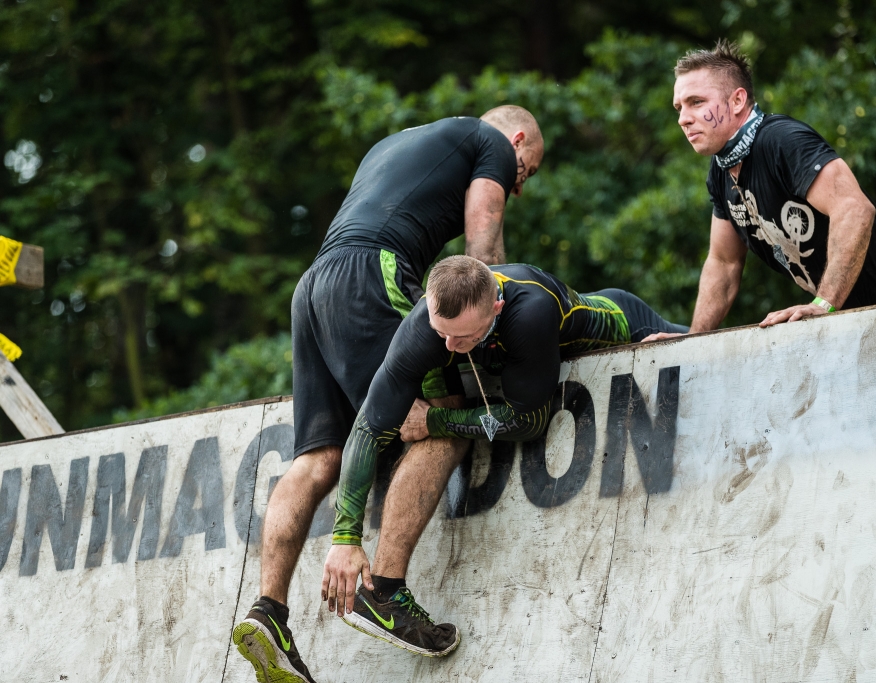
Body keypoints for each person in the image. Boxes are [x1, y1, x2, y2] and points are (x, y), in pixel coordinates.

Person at [232, 107, 545, 683]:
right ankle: (386, 591)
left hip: (312, 287)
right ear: (518, 139)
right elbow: (481, 249)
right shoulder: (492, 142)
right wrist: (503, 329)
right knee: (436, 417)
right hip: (372, 272)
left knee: (318, 457)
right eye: (526, 170)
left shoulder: (397, 143)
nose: (518, 184)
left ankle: (268, 610)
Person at [320, 255, 688, 657]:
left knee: (704, 333)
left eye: (462, 337)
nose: (449, 346)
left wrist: (436, 420)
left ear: (496, 307)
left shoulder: (530, 311)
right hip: (521, 358)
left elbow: (528, 421)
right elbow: (367, 428)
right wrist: (345, 537)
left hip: (632, 328)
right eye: (442, 333)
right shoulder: (426, 325)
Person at [656, 40, 876, 339]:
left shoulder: (781, 140)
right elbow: (724, 263)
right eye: (679, 107)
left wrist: (824, 304)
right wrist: (693, 341)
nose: (683, 119)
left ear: (737, 101)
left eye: (696, 102)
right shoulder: (720, 172)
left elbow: (855, 209)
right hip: (851, 321)